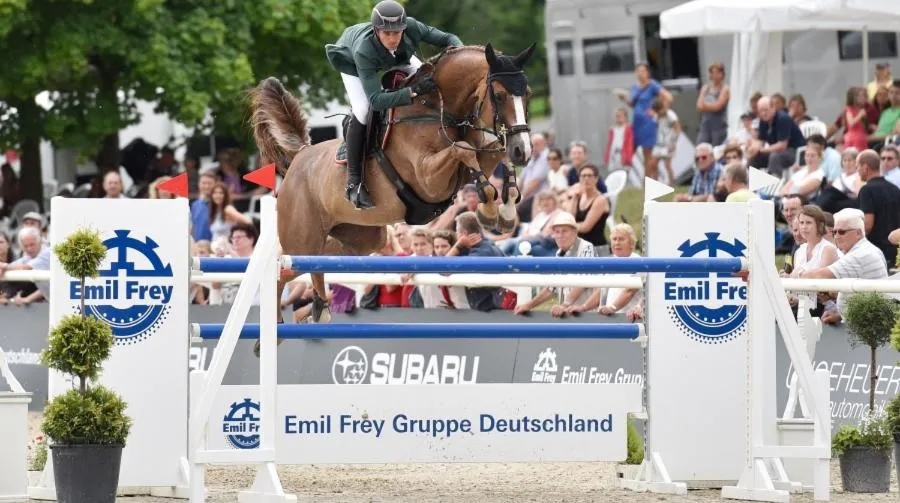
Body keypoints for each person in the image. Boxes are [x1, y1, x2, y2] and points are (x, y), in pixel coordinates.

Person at [325, 0, 463, 209]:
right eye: (386, 33)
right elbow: (377, 100)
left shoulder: (413, 26)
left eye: (397, 33)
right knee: (363, 110)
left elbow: (448, 38)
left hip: (397, 58)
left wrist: (461, 54)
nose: (392, 38)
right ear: (376, 31)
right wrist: (413, 91)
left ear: (404, 29)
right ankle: (354, 182)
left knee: (429, 77)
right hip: (352, 60)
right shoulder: (364, 51)